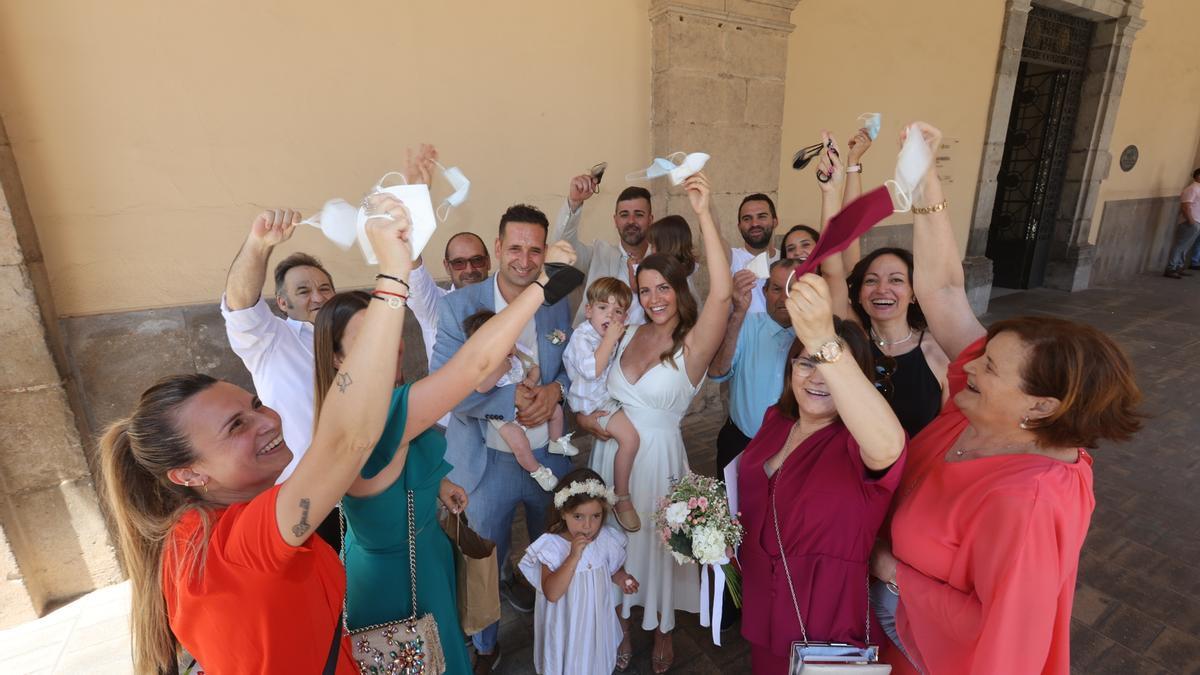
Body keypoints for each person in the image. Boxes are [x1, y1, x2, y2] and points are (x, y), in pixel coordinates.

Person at [96, 195, 438, 673]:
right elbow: (344, 441)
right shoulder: (243, 538)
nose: (267, 420)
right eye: (236, 425)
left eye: (255, 404)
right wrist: (393, 275)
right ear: (189, 473)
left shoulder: (192, 530)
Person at [870, 122, 1143, 675]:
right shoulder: (978, 409)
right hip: (887, 634)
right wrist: (926, 183)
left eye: (989, 366)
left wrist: (891, 571)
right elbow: (943, 291)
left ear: (1041, 407)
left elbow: (1006, 637)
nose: (966, 364)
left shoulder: (1032, 502)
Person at [589, 172, 732, 673]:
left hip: (660, 458)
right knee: (613, 541)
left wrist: (704, 212)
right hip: (610, 454)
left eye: (663, 288)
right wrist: (591, 422)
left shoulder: (693, 343)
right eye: (645, 289)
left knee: (658, 545)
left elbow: (721, 297)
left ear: (677, 288)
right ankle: (623, 624)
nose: (654, 298)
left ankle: (664, 631)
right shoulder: (626, 332)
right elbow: (592, 387)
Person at [431, 203, 576, 672]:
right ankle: (487, 643)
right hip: (483, 463)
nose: (525, 259)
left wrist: (556, 390)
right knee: (484, 561)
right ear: (497, 249)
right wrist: (512, 398)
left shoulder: (558, 302)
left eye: (536, 250)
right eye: (515, 247)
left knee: (552, 545)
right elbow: (446, 386)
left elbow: (579, 371)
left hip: (547, 459)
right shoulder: (458, 308)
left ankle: (553, 630)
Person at [737, 275, 906, 674]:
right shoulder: (776, 420)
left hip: (825, 612)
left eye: (828, 367)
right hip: (765, 599)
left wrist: (828, 346)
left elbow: (889, 447)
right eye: (805, 362)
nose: (816, 377)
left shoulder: (860, 445)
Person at [220, 209, 334, 482]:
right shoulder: (269, 340)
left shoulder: (353, 339)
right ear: (282, 303)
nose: (318, 297)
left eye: (325, 288)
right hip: (305, 495)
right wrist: (259, 245)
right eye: (304, 291)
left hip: (368, 487)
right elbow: (241, 305)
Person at [518, 468, 640, 675]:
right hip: (566, 623)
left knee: (594, 661)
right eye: (578, 516)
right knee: (569, 662)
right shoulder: (552, 547)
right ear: (563, 513)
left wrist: (623, 579)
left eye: (596, 516)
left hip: (595, 621)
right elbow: (552, 593)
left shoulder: (605, 538)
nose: (588, 525)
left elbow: (611, 570)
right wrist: (573, 556)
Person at [561, 277, 643, 531]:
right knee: (630, 439)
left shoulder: (609, 334)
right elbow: (594, 369)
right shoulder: (582, 337)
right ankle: (621, 497)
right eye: (602, 308)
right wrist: (610, 340)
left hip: (608, 397)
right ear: (588, 310)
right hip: (595, 403)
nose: (610, 315)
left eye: (617, 311)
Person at [463, 309, 576, 491]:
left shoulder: (518, 353)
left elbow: (534, 367)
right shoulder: (485, 364)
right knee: (519, 442)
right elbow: (482, 387)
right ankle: (537, 471)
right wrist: (501, 366)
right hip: (503, 414)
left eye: (506, 338)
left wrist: (531, 380)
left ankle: (557, 441)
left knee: (555, 411)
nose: (506, 346)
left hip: (526, 395)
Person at [845, 248, 949, 438]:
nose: (882, 289)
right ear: (859, 295)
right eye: (871, 280)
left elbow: (948, 430)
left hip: (916, 465)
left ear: (914, 294)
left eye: (896, 280)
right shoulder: (848, 349)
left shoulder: (939, 353)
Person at [552, 175, 654, 326]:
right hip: (595, 348)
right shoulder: (598, 255)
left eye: (639, 214)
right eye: (624, 215)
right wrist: (574, 203)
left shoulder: (666, 261)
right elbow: (562, 247)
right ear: (615, 220)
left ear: (651, 219)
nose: (631, 221)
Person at [730, 193, 781, 314]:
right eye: (747, 219)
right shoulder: (731, 257)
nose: (754, 224)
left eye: (762, 217)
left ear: (775, 222)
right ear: (739, 226)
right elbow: (712, 233)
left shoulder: (786, 258)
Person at [1164, 167, 1200, 278]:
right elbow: (1185, 206)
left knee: (1186, 246)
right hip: (1189, 222)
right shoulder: (1192, 189)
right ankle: (1171, 268)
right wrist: (1191, 221)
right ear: (1198, 176)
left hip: (1196, 222)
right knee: (1180, 245)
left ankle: (1179, 266)